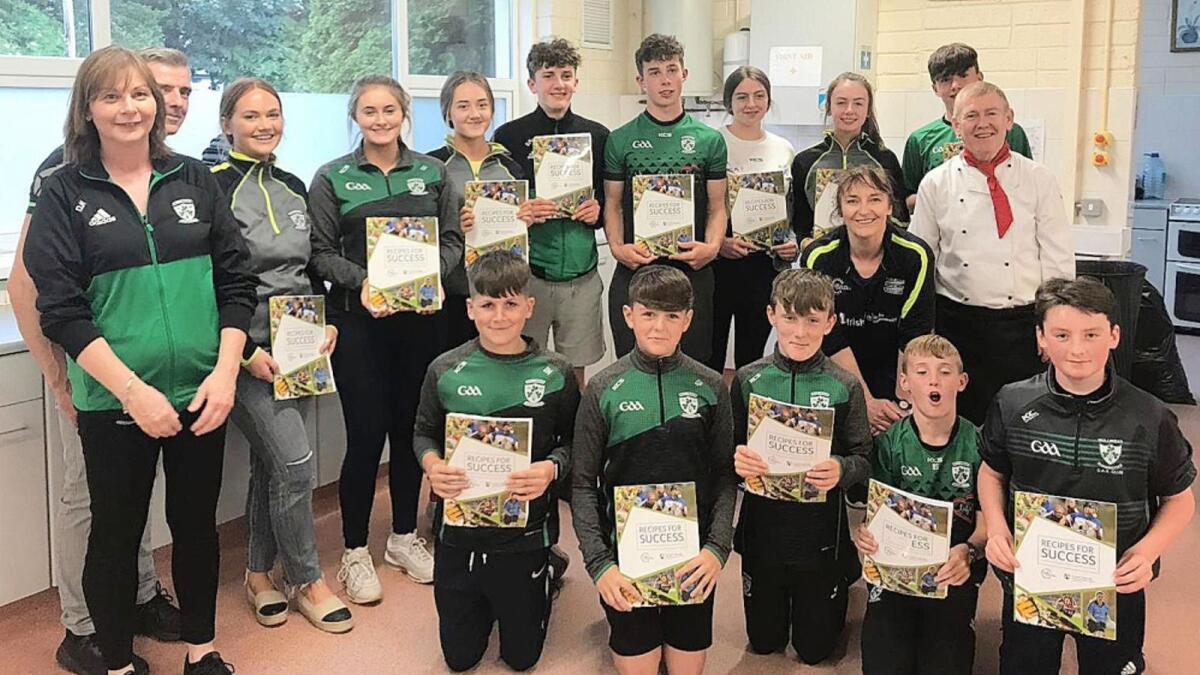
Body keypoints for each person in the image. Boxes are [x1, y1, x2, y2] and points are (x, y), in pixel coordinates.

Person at [22, 46, 258, 675]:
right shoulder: (63, 191)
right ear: (87, 109)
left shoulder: (195, 180)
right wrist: (133, 392)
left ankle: (202, 649)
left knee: (196, 525)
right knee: (116, 534)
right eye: (111, 96)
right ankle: (119, 663)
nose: (129, 108)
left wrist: (225, 373)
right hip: (115, 400)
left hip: (202, 393)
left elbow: (236, 284)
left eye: (139, 95)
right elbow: (61, 311)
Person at [9, 46, 194, 675]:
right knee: (90, 498)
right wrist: (57, 376)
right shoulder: (64, 171)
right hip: (90, 365)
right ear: (96, 103)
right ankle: (83, 626)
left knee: (130, 496)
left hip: (154, 369)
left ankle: (136, 599)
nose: (169, 102)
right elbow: (26, 284)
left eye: (180, 91)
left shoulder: (169, 171)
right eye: (157, 88)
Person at [979, 276, 1196, 675]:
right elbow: (991, 472)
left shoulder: (1150, 417)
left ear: (1114, 336)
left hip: (1115, 583)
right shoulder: (1012, 402)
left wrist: (1146, 553)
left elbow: (1180, 501)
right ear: (1041, 338)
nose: (1077, 349)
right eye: (1061, 335)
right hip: (1032, 576)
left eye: (1091, 334)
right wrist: (995, 528)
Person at [308, 74, 464, 601]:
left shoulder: (432, 173)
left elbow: (453, 241)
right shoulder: (332, 177)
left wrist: (429, 276)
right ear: (356, 116)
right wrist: (363, 281)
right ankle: (355, 550)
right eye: (369, 111)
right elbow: (320, 253)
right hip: (360, 324)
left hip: (421, 323)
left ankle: (401, 536)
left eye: (389, 110)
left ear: (404, 114)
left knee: (410, 431)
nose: (380, 120)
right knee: (366, 434)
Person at [210, 77, 353, 634]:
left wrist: (329, 320)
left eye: (272, 114)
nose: (265, 124)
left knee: (274, 464)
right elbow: (206, 281)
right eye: (250, 116)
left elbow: (312, 266)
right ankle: (307, 579)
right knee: (296, 464)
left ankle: (256, 574)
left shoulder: (293, 185)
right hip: (242, 349)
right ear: (227, 124)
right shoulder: (212, 186)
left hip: (300, 343)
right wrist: (246, 352)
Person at [414, 251, 580, 671]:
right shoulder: (445, 370)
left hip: (526, 534)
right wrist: (432, 465)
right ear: (471, 309)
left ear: (529, 307)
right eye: (488, 305)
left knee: (521, 660)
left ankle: (545, 571)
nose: (500, 316)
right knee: (460, 659)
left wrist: (551, 468)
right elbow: (423, 433)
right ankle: (483, 595)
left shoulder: (556, 372)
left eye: (510, 304)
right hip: (458, 533)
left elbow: (575, 442)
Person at [572, 265, 736, 675]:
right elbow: (582, 485)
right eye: (648, 314)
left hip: (692, 556)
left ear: (688, 320)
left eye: (671, 316)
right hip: (624, 558)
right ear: (628, 316)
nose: (659, 327)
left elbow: (724, 476)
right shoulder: (603, 388)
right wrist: (600, 565)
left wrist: (716, 550)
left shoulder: (711, 386)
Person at [909, 81, 1074, 425]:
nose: (982, 124)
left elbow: (1057, 259)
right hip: (958, 325)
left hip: (1024, 326)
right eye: (971, 116)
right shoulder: (935, 183)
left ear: (1009, 118)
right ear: (956, 125)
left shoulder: (1039, 178)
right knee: (962, 423)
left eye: (991, 114)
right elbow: (920, 262)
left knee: (1024, 422)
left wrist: (1055, 328)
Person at [731, 268, 871, 664]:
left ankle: (841, 576)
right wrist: (737, 459)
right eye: (789, 318)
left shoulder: (844, 385)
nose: (800, 332)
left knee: (813, 652)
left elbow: (864, 457)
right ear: (771, 315)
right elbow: (727, 450)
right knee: (763, 642)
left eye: (812, 321)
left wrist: (841, 469)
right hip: (763, 531)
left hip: (819, 534)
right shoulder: (748, 380)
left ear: (830, 322)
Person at [853, 335, 987, 675]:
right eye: (922, 372)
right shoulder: (888, 444)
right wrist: (865, 535)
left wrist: (969, 552)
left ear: (961, 381)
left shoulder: (979, 444)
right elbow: (875, 517)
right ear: (904, 382)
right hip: (897, 569)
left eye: (944, 372)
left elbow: (987, 524)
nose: (933, 381)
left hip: (953, 567)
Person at [603, 33, 727, 364]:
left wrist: (712, 247)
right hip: (636, 268)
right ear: (641, 81)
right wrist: (617, 248)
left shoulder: (709, 140)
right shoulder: (620, 140)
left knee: (693, 368)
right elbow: (612, 204)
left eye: (672, 70)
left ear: (684, 74)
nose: (665, 80)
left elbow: (718, 207)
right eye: (655, 72)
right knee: (632, 367)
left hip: (691, 269)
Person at [493, 38, 610, 387]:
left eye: (566, 75)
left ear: (576, 81)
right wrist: (522, 211)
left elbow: (611, 200)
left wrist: (599, 211)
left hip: (581, 274)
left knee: (575, 372)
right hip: (529, 275)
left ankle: (573, 422)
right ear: (532, 84)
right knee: (523, 363)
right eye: (548, 76)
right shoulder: (508, 136)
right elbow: (498, 206)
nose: (559, 84)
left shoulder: (598, 135)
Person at [803, 165, 934, 436]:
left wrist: (901, 405)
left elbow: (915, 333)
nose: (864, 210)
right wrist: (864, 401)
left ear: (889, 206)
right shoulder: (818, 257)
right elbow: (828, 335)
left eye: (874, 199)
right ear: (840, 210)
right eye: (852, 201)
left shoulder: (916, 255)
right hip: (835, 373)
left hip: (894, 372)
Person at [428, 71, 540, 350]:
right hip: (452, 292)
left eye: (482, 104)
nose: (474, 114)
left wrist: (525, 219)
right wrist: (452, 225)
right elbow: (423, 229)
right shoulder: (432, 167)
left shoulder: (510, 166)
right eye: (463, 106)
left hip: (501, 294)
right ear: (448, 112)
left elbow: (520, 231)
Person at [709, 66, 797, 376]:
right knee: (711, 350)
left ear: (768, 101)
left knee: (752, 354)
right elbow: (702, 206)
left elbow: (791, 208)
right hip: (719, 263)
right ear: (728, 102)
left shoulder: (783, 148)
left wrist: (791, 243)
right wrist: (719, 243)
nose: (751, 104)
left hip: (763, 267)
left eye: (759, 96)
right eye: (742, 97)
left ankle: (746, 405)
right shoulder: (713, 142)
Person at [901, 43, 1033, 211]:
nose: (955, 85)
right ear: (935, 88)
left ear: (979, 78)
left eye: (963, 76)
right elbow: (905, 200)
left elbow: (1028, 186)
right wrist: (943, 192)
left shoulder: (1008, 131)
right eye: (945, 79)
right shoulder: (920, 140)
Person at [791, 72, 907, 246]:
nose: (849, 110)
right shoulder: (805, 161)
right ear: (828, 107)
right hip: (823, 254)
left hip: (874, 254)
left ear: (868, 110)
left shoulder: (885, 159)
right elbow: (800, 221)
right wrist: (805, 242)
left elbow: (900, 218)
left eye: (858, 103)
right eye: (841, 102)